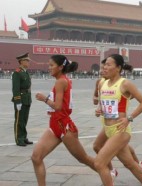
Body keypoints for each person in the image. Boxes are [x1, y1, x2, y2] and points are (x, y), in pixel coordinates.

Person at [32, 55, 96, 186]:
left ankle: (108, 172)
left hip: (64, 126)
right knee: (36, 157)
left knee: (84, 159)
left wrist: (44, 98)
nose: (48, 68)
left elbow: (58, 106)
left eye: (51, 65)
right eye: (48, 65)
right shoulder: (62, 80)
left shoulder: (61, 81)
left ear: (60, 67)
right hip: (55, 124)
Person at [94, 54, 142, 186]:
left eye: (109, 65)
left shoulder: (125, 84)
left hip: (120, 130)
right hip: (107, 128)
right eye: (105, 64)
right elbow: (103, 103)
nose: (105, 67)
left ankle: (112, 174)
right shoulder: (101, 83)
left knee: (99, 163)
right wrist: (99, 110)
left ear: (118, 68)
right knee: (128, 162)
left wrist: (129, 118)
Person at [12, 52, 33, 146]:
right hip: (20, 99)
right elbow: (15, 88)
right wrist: (17, 101)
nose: (28, 62)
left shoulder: (26, 72)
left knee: (24, 119)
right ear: (21, 61)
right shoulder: (17, 73)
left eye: (28, 60)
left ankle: (24, 137)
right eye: (27, 60)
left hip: (27, 98)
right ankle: (18, 139)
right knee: (19, 120)